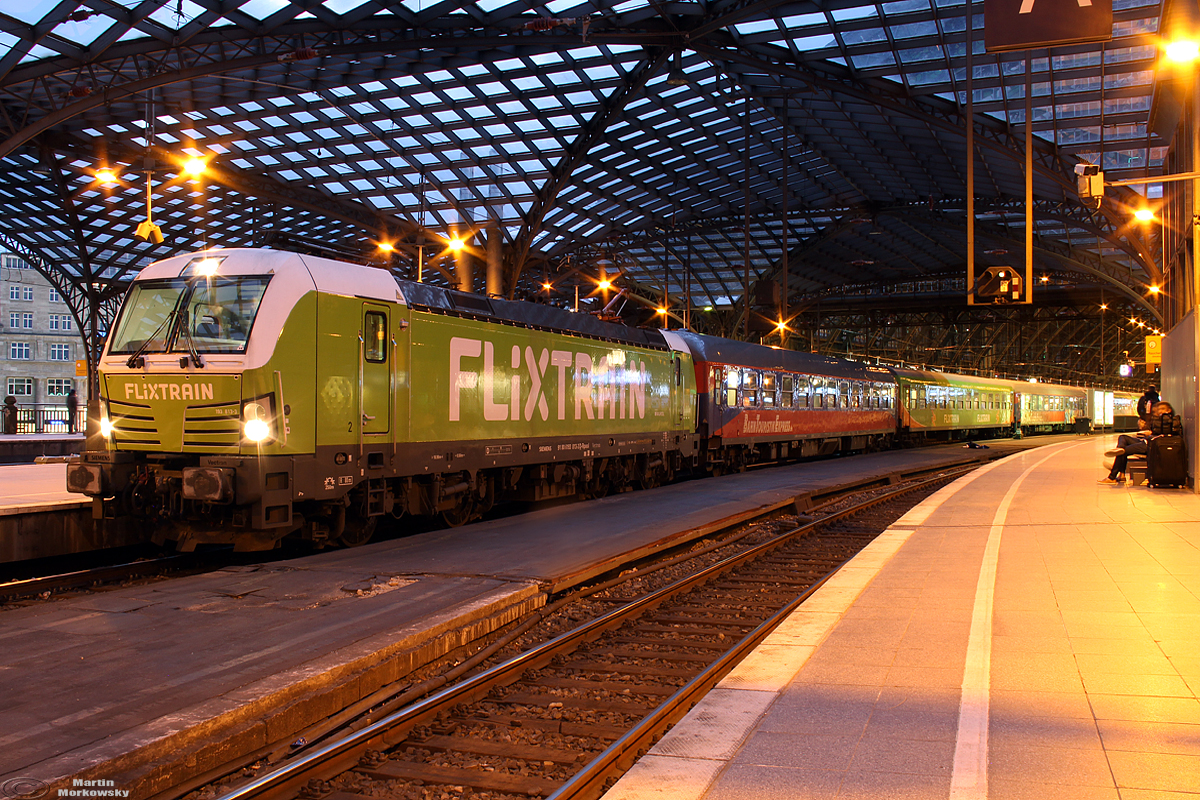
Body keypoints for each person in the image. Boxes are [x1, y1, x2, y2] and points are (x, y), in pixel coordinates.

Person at [1100, 400, 1174, 484]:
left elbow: (1162, 435)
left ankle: (1113, 475)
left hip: (1149, 445)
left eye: (1163, 409)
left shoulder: (1168, 421)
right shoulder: (1159, 420)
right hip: (1146, 441)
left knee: (1122, 451)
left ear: (1169, 410)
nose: (1160, 411)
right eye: (1159, 409)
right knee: (1123, 438)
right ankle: (1121, 472)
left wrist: (1151, 433)